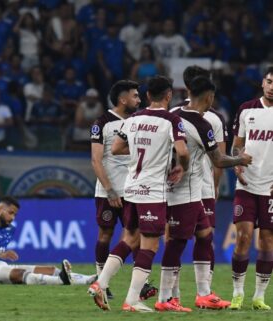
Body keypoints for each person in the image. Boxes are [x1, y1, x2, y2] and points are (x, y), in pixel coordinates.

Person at [90, 76, 190, 312]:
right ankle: (132, 300)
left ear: (147, 96)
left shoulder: (133, 119)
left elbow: (115, 148)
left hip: (131, 187)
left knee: (130, 239)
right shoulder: (171, 120)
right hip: (152, 191)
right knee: (150, 246)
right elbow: (183, 151)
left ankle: (100, 283)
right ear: (168, 96)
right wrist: (181, 165)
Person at [156, 76, 251, 312]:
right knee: (177, 242)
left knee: (205, 235)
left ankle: (204, 294)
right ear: (209, 96)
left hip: (192, 190)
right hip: (183, 191)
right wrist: (241, 159)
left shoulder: (174, 114)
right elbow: (218, 159)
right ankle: (165, 297)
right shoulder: (201, 124)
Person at [0, 196, 96, 286]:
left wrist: (1, 257)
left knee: (50, 269)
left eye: (15, 215)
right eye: (11, 213)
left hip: (1, 266)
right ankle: (60, 281)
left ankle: (86, 280)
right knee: (19, 274)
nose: (13, 218)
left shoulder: (10, 229)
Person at [90, 80, 140, 300]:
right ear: (123, 99)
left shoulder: (139, 121)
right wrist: (110, 190)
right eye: (135, 96)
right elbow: (96, 160)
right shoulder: (102, 123)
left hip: (134, 191)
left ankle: (141, 284)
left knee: (136, 236)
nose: (139, 100)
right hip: (108, 192)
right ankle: (102, 281)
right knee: (105, 234)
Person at [230, 66, 273, 310]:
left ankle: (259, 296)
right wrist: (237, 164)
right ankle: (237, 293)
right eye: (269, 81)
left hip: (270, 188)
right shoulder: (246, 109)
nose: (272, 87)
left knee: (267, 241)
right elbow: (237, 146)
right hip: (246, 184)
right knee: (243, 238)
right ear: (262, 83)